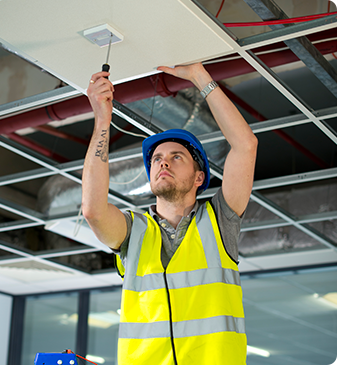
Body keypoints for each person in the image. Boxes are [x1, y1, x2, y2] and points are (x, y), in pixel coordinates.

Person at [82, 62, 258, 365]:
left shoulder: (219, 222)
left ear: (199, 178)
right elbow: (93, 211)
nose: (163, 163)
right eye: (158, 160)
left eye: (177, 157)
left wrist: (199, 77)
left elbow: (245, 145)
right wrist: (102, 121)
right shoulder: (133, 232)